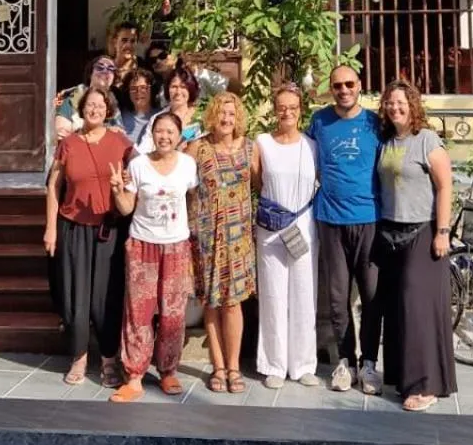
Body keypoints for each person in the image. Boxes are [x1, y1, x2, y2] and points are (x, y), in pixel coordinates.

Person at [374, 80, 457, 412]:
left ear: (413, 105)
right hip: (390, 232)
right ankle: (403, 378)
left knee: (418, 310)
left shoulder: (427, 141)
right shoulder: (387, 141)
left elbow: (446, 185)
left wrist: (443, 231)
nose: (396, 107)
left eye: (401, 102)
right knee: (397, 311)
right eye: (390, 103)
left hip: (422, 232)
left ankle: (426, 385)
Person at [44, 86, 133, 387]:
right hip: (73, 226)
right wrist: (51, 227)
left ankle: (109, 359)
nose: (94, 109)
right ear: (81, 110)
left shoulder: (120, 142)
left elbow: (139, 175)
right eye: (89, 105)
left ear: (108, 110)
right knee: (74, 297)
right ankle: (79, 357)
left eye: (100, 105)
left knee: (105, 297)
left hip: (108, 229)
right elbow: (54, 186)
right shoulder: (68, 143)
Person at [107, 110, 198, 402]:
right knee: (139, 313)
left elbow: (193, 199)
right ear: (152, 134)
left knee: (173, 314)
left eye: (171, 131)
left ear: (179, 135)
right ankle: (134, 375)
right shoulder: (138, 166)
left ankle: (168, 371)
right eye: (160, 131)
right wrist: (117, 190)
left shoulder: (187, 165)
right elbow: (125, 208)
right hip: (143, 245)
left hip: (176, 246)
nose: (165, 136)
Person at [308, 65, 383, 394]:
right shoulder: (319, 122)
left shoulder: (375, 123)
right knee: (338, 300)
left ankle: (369, 364)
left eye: (349, 84)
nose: (343, 89)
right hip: (331, 220)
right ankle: (344, 363)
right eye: (337, 85)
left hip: (369, 219)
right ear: (331, 89)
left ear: (360, 86)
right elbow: (304, 160)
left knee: (371, 297)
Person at [251, 83, 319, 389]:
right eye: (282, 107)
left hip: (303, 226)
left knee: (305, 294)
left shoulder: (312, 145)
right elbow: (256, 181)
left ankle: (304, 364)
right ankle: (274, 364)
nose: (287, 112)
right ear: (274, 109)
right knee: (273, 295)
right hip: (270, 228)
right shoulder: (262, 142)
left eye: (293, 107)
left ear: (300, 110)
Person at [189, 92, 256, 393]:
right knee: (211, 303)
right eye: (221, 113)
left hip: (238, 239)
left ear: (238, 117)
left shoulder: (250, 148)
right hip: (206, 237)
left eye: (231, 114)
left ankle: (234, 367)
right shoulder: (198, 148)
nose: (226, 119)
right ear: (212, 116)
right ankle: (217, 367)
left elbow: (261, 187)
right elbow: (178, 181)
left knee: (233, 305)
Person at [54, 51, 119, 139]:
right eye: (99, 67)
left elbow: (119, 134)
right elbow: (61, 133)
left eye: (110, 69)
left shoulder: (114, 104)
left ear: (114, 77)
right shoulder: (72, 98)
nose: (105, 71)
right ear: (90, 74)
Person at [119, 66, 160, 152]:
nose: (138, 92)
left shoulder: (161, 115)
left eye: (143, 87)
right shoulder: (120, 116)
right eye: (133, 88)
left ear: (151, 89)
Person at [162, 64, 203, 145]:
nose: (178, 92)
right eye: (174, 87)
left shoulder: (201, 117)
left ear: (190, 90)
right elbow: (146, 148)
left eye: (183, 87)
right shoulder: (157, 119)